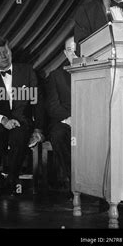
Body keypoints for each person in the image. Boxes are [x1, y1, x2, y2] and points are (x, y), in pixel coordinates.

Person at [0, 36, 44, 198]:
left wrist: (39, 129)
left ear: (10, 51)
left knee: (19, 135)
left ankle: (11, 181)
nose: (4, 56)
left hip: (22, 121)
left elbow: (38, 102)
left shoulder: (27, 71)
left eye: (6, 51)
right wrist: (3, 120)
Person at [45, 36, 76, 190]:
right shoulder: (56, 75)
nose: (74, 54)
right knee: (58, 135)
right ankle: (74, 181)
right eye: (70, 50)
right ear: (65, 53)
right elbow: (52, 107)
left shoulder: (99, 72)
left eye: (77, 49)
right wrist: (69, 119)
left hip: (91, 121)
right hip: (64, 122)